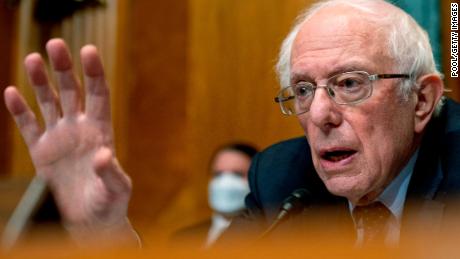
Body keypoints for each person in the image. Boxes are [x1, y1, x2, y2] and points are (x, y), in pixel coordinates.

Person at [2, 0, 459, 248]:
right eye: (302, 90)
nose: (320, 114)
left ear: (421, 100)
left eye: (350, 83)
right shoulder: (282, 179)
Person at [172, 143, 257, 248]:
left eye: (237, 174)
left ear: (256, 180)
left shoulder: (269, 238)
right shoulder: (182, 239)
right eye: (218, 174)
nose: (225, 182)